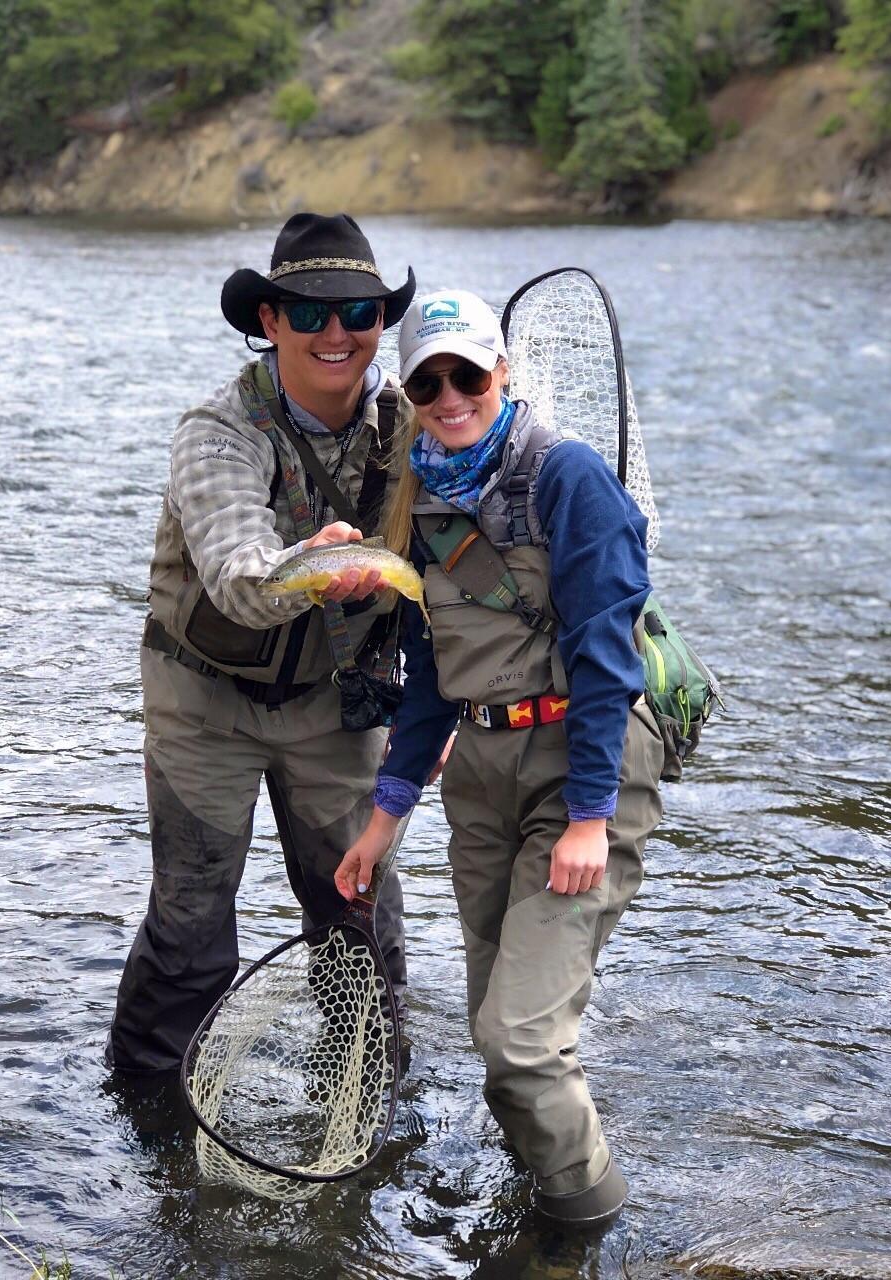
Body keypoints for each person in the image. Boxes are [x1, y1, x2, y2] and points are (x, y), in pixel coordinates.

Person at [335, 289, 665, 1227]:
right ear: (407, 389)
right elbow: (431, 675)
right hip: (480, 771)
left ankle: (585, 1228)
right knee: (497, 1038)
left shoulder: (566, 479)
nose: (449, 396)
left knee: (520, 1045)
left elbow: (608, 656)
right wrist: (383, 818)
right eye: (428, 380)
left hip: (582, 760)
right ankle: (548, 1194)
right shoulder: (421, 491)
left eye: (467, 375)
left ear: (501, 374)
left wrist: (592, 818)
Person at [106, 213, 421, 1074]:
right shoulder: (216, 432)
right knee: (192, 926)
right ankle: (150, 1120)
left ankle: (367, 1103)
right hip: (204, 700)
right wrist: (311, 566)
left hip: (335, 701)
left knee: (358, 918)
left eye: (358, 312)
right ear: (269, 320)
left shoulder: (418, 425)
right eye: (308, 311)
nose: (335, 333)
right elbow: (241, 577)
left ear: (381, 323)